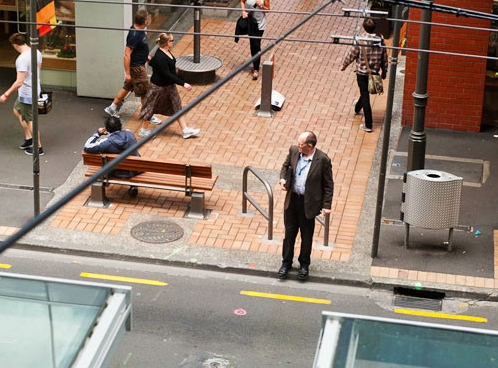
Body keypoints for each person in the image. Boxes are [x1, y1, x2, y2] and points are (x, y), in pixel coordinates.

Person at [278, 131, 334, 281]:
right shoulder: (294, 151)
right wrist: (283, 179)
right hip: (292, 201)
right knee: (289, 234)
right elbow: (285, 166)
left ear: (309, 146)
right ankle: (286, 263)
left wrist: (326, 205)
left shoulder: (323, 160)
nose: (298, 146)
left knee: (306, 236)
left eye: (301, 144)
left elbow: (328, 185)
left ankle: (304, 264)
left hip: (308, 204)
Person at [138, 33, 200, 139]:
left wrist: (150, 60)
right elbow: (167, 74)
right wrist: (183, 84)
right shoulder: (160, 57)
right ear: (167, 42)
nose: (173, 42)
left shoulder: (165, 52)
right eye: (172, 40)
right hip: (158, 87)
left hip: (169, 86)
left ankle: (185, 130)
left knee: (177, 105)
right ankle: (143, 130)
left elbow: (154, 64)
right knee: (150, 107)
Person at [340, 17, 388, 133]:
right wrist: (384, 71)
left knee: (365, 96)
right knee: (365, 93)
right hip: (374, 73)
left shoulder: (360, 40)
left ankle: (368, 124)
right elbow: (384, 58)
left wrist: (344, 65)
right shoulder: (380, 41)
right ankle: (357, 108)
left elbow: (351, 54)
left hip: (362, 73)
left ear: (364, 27)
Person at [0, 33, 44, 156]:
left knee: (30, 120)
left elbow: (19, 81)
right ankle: (29, 138)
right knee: (17, 110)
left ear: (14, 45)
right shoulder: (37, 52)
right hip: (34, 89)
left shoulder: (22, 59)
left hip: (27, 93)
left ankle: (38, 147)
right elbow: (38, 70)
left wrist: (6, 94)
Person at [104, 9, 151, 120]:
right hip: (137, 68)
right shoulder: (135, 34)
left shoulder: (138, 31)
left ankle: (112, 107)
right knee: (145, 90)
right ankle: (147, 114)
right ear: (145, 21)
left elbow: (138, 48)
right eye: (147, 18)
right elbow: (126, 54)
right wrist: (128, 73)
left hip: (138, 65)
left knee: (128, 86)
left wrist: (146, 56)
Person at [83, 116, 140, 195]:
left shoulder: (107, 142)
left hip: (116, 171)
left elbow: (87, 147)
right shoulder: (129, 133)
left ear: (108, 128)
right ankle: (133, 186)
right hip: (134, 169)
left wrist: (97, 134)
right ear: (120, 125)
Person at [240, 0, 270, 80]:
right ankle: (255, 64)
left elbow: (268, 10)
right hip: (250, 23)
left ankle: (256, 69)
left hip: (260, 25)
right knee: (252, 44)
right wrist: (243, 11)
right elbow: (242, 1)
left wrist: (260, 5)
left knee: (256, 44)